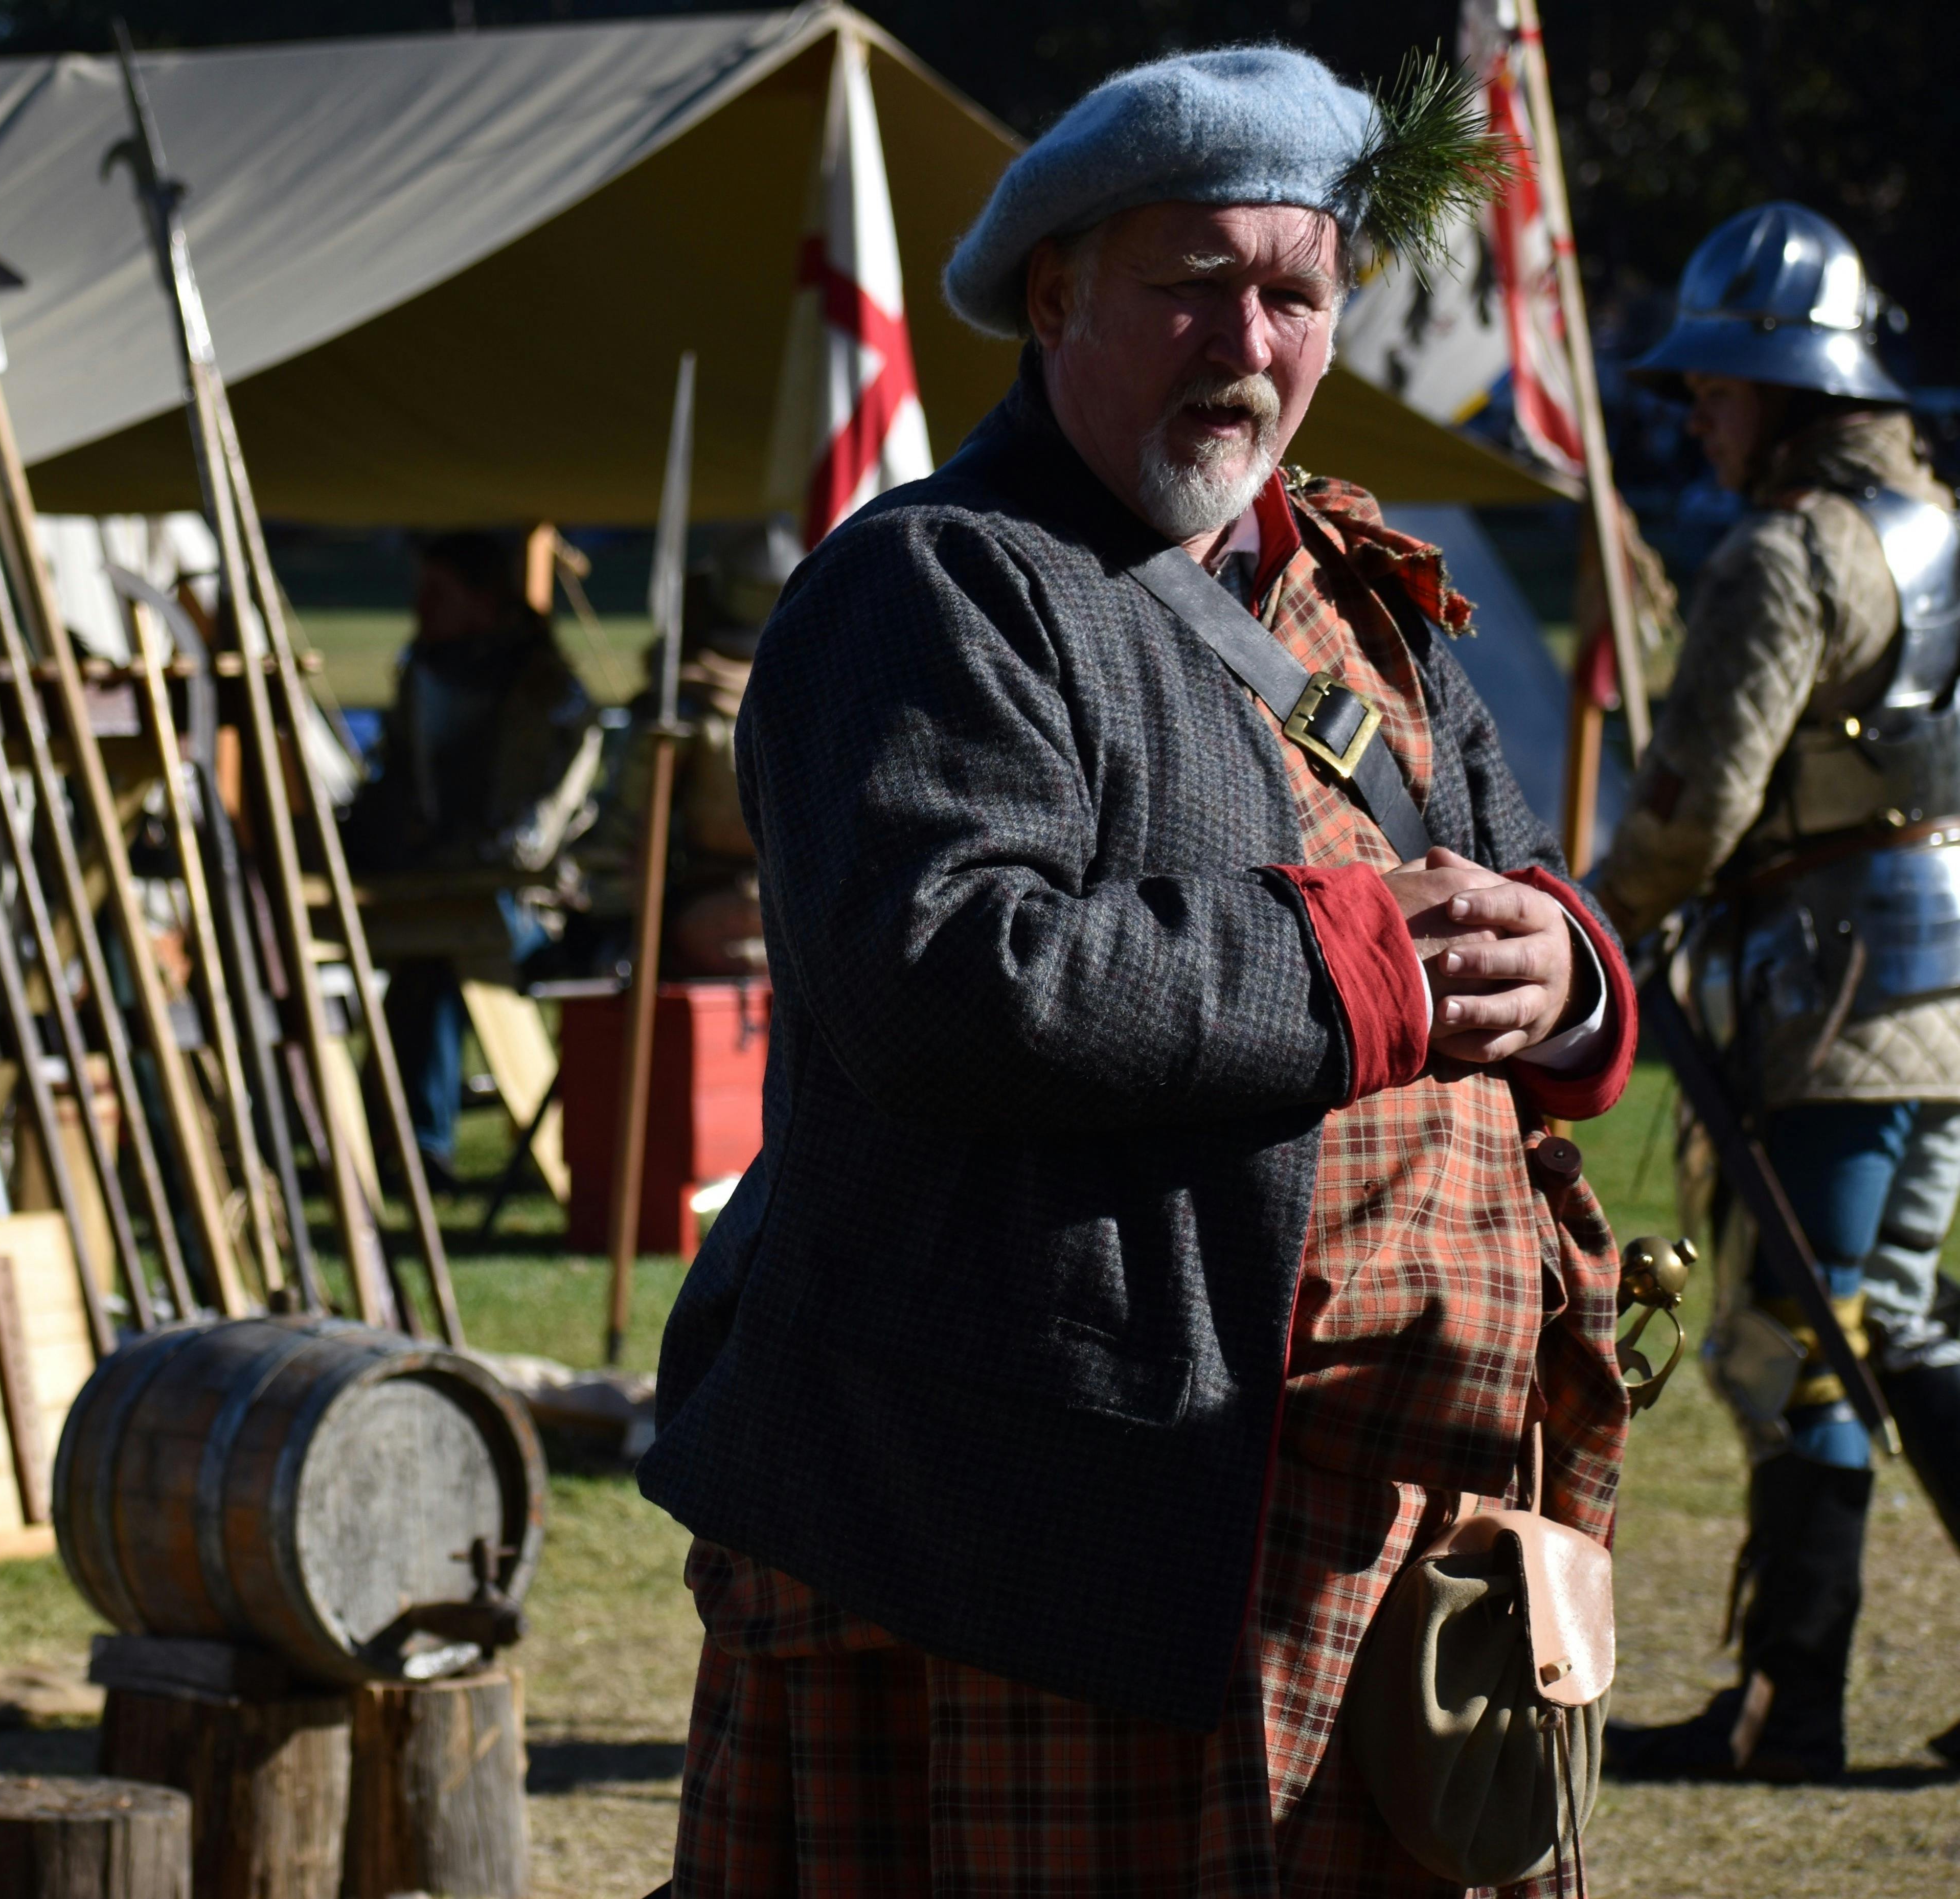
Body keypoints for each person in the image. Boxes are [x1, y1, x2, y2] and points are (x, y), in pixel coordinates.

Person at [633, 47, 1639, 1895]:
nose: (1242, 338)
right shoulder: (937, 588)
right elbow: (943, 973)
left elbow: (1517, 888)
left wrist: (1559, 974)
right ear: (1055, 292)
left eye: (1292, 292)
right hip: (1059, 1522)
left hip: (1384, 1509)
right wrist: (1362, 963)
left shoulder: (1361, 591)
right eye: (1191, 279)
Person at [1590, 203, 1960, 1783]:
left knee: (1795, 1343)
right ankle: (1780, 1697)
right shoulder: (1936, 523)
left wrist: (1592, 928)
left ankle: (1785, 1708)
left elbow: (1693, 804)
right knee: (1899, 1333)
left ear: (1787, 395)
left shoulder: (1786, 551)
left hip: (1827, 992)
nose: (1693, 414)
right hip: (1925, 980)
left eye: (1715, 388)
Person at [354, 529, 601, 1184]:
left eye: (440, 592)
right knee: (419, 958)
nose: (423, 608)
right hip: (439, 890)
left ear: (484, 601)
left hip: (534, 906)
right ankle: (384, 1138)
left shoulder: (545, 691)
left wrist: (467, 862)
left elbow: (533, 833)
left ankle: (419, 1147)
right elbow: (399, 785)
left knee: (434, 961)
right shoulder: (426, 673)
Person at [598, 517, 798, 977]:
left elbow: (626, 824)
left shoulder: (686, 707)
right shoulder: (810, 700)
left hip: (723, 919)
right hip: (773, 917)